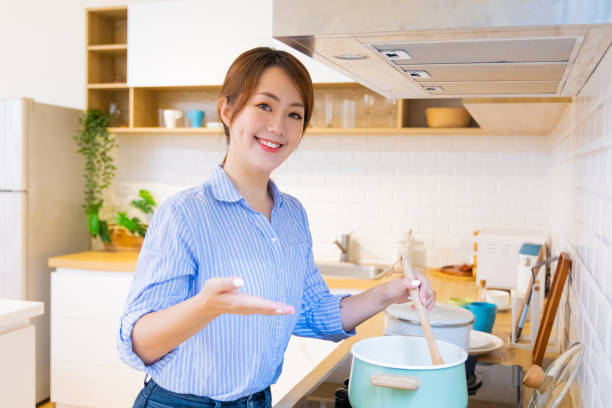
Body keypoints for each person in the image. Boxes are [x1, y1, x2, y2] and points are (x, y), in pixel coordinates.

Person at [117, 47, 435, 408]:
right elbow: (139, 342)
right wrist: (205, 307)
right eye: (264, 106)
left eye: (294, 114)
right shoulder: (184, 214)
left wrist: (387, 294)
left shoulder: (291, 215)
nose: (278, 126)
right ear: (227, 110)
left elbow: (312, 311)